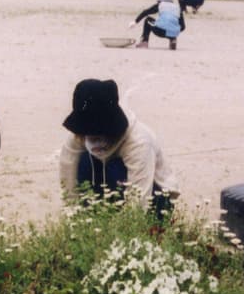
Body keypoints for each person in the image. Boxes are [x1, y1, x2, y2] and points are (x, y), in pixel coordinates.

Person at [58, 79, 177, 215]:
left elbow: (140, 199)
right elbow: (67, 173)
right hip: (110, 184)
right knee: (84, 160)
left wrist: (123, 227)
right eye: (91, 136)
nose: (95, 141)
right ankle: (94, 213)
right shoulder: (79, 135)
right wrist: (73, 215)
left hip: (155, 195)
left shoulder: (138, 142)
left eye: (100, 136)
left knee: (115, 167)